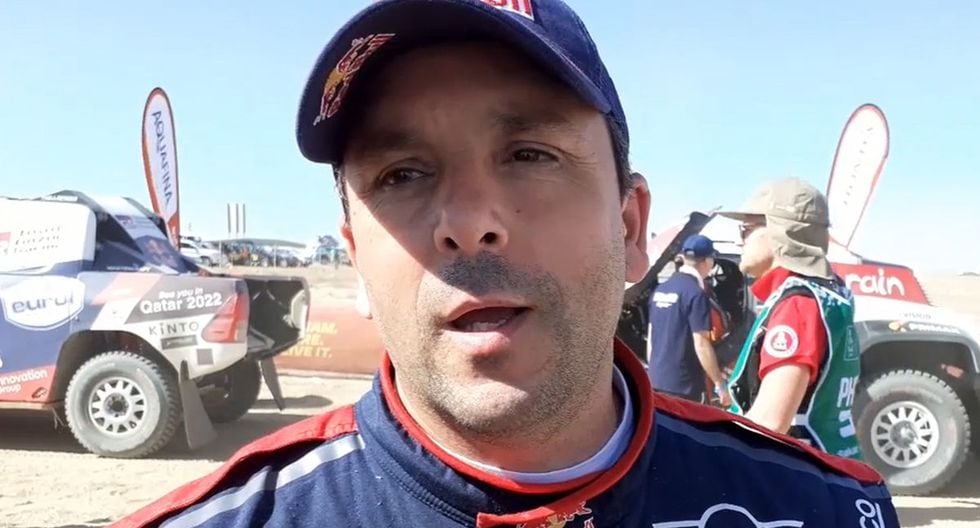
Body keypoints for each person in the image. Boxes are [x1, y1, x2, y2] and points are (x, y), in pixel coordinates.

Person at [113, 1, 897, 526]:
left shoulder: (824, 511)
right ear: (356, 260)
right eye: (402, 174)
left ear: (631, 227)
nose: (468, 224)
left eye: (529, 155)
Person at [719, 177, 865, 460]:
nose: (739, 241)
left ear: (779, 231)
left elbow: (769, 423)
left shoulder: (797, 304)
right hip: (830, 466)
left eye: (746, 229)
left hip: (801, 472)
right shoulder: (829, 292)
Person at [647, 235, 731, 406]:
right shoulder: (695, 294)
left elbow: (651, 338)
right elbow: (701, 344)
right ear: (707, 261)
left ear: (684, 257)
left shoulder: (660, 290)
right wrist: (720, 384)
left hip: (656, 381)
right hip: (685, 387)